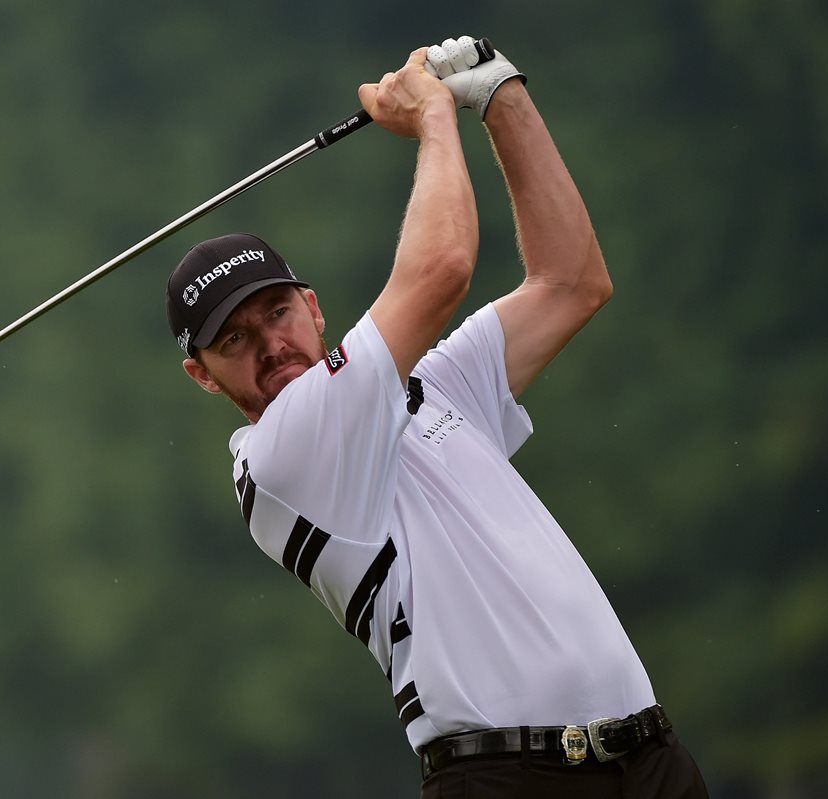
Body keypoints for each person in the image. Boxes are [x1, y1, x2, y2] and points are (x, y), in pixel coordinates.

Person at [164, 35, 708, 798]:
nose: (270, 344)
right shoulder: (281, 456)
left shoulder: (429, 385)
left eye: (278, 312)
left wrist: (500, 98)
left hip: (650, 760)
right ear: (203, 375)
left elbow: (572, 281)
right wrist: (432, 117)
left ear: (313, 306)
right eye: (235, 339)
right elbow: (442, 267)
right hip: (504, 779)